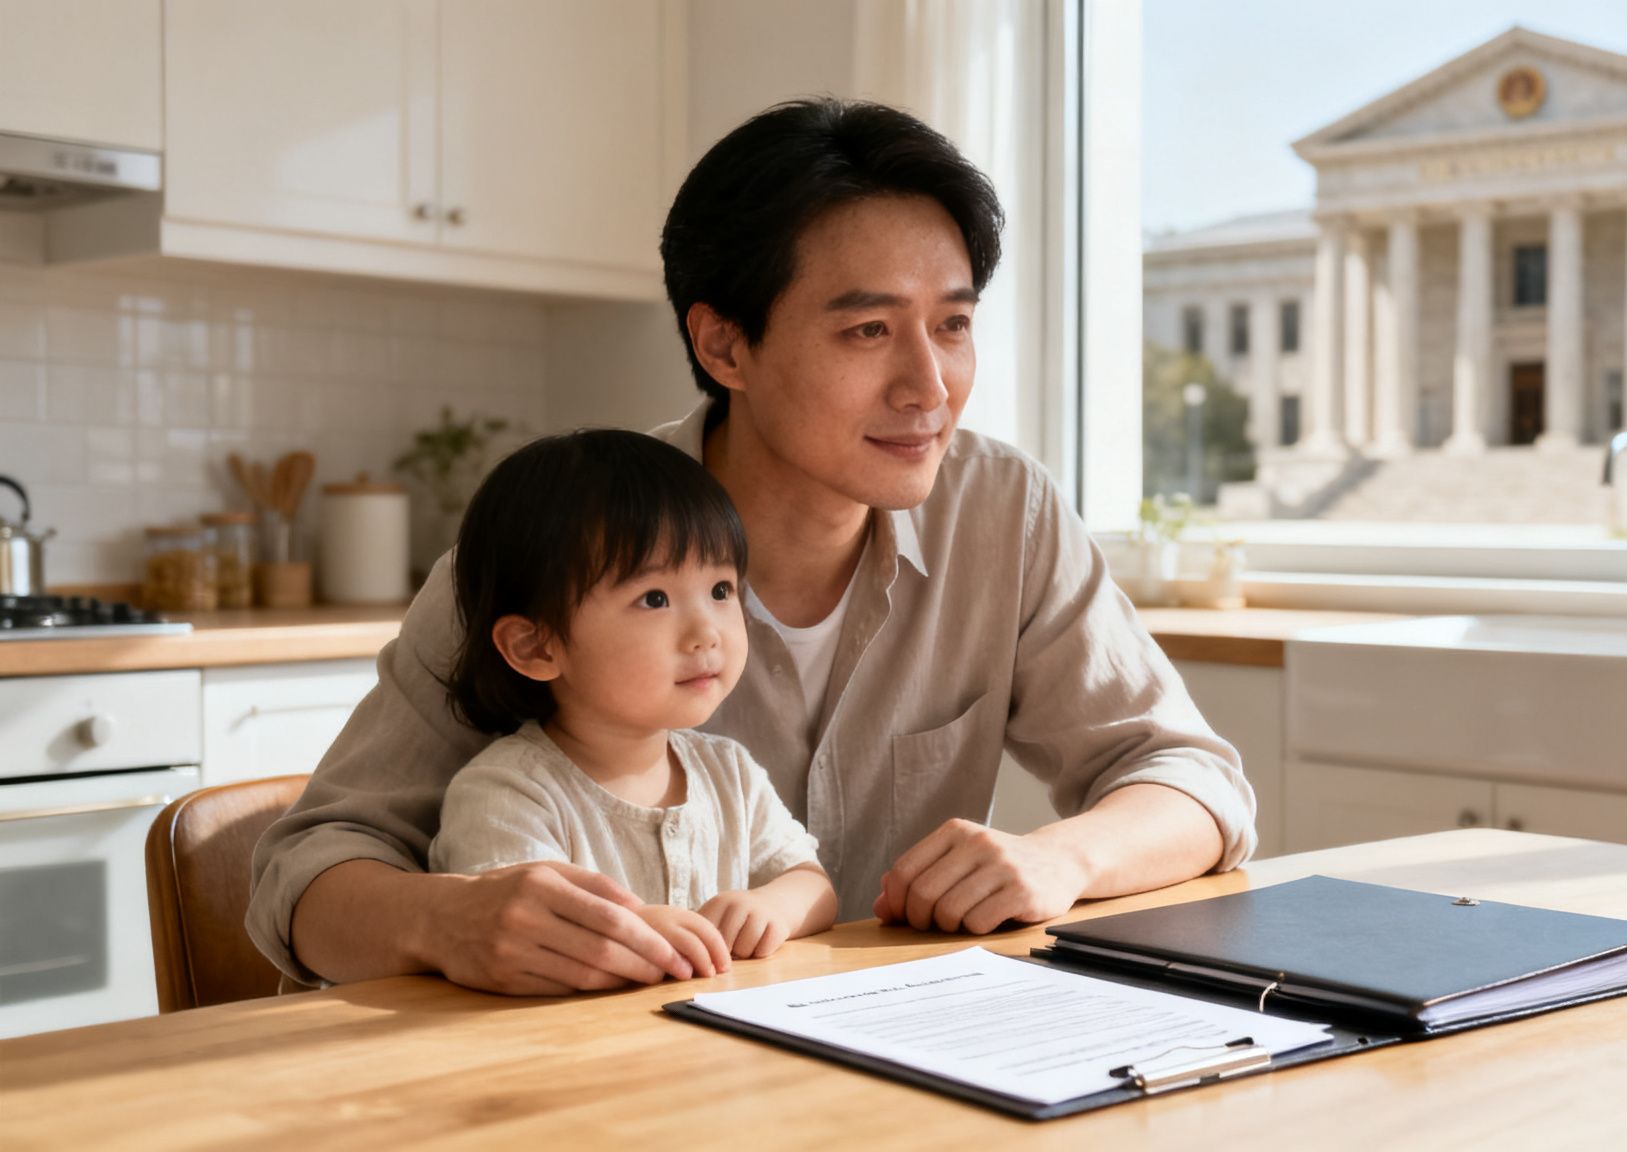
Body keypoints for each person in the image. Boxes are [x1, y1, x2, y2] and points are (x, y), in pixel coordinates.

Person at [248, 98, 1256, 996]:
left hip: (895, 1063)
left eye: (950, 325)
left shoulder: (1002, 510)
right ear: (723, 344)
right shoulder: (558, 534)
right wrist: (444, 922)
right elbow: (309, 869)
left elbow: (1194, 784)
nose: (928, 386)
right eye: (867, 332)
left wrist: (1065, 859)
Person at [425, 429, 835, 984]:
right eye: (655, 599)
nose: (706, 632)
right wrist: (637, 931)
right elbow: (518, 936)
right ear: (537, 647)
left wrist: (774, 909)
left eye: (720, 589)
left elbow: (811, 883)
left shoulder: (728, 773)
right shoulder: (507, 794)